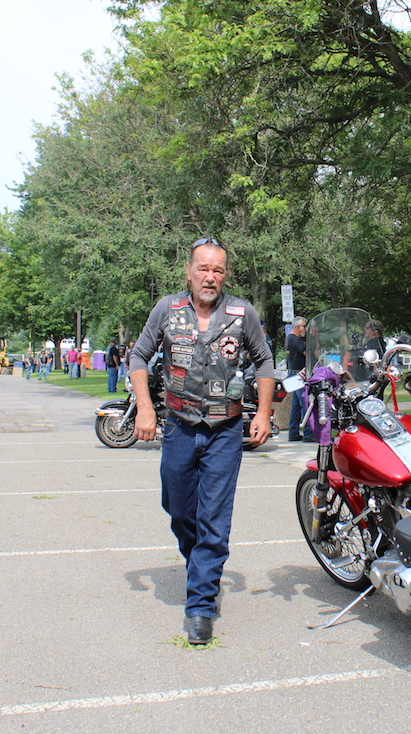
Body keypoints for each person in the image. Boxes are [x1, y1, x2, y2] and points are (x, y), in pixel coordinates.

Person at [128, 237, 274, 645]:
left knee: (214, 517)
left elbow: (264, 360)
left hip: (225, 432)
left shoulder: (242, 313)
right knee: (177, 508)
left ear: (225, 274)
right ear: (189, 271)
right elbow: (138, 355)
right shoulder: (167, 310)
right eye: (203, 269)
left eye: (218, 270)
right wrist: (145, 407)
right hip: (178, 428)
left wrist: (262, 412)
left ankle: (201, 605)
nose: (210, 277)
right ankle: (200, 565)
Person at [284, 316, 310, 442]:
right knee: (304, 403)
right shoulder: (296, 339)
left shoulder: (289, 338)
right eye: (304, 326)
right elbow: (306, 353)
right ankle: (308, 433)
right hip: (299, 375)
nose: (305, 329)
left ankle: (293, 432)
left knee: (295, 405)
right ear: (298, 327)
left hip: (292, 373)